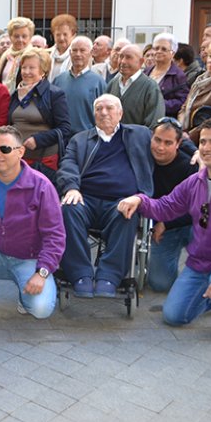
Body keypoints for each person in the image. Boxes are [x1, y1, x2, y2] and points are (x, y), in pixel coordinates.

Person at [118, 119, 211, 346]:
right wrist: (140, 200)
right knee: (174, 316)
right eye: (203, 142)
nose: (206, 148)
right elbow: (165, 206)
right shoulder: (196, 181)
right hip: (202, 261)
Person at [57, 94, 152, 298]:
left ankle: (109, 276)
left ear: (120, 113)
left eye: (109, 108)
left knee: (127, 214)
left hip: (121, 200)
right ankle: (80, 274)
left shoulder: (140, 134)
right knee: (68, 209)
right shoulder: (80, 139)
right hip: (86, 198)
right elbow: (68, 164)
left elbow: (171, 140)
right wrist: (71, 187)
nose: (103, 112)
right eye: (99, 109)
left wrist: (196, 153)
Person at [0, 126, 64, 324]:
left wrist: (42, 272)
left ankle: (24, 293)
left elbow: (55, 235)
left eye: (5, 149)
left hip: (29, 260)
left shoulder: (42, 186)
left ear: (21, 152)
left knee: (40, 309)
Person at [146, 118, 198, 292]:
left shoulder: (190, 166)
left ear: (178, 144)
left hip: (192, 223)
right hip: (165, 229)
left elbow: (196, 207)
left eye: (168, 143)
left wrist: (166, 223)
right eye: (157, 140)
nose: (160, 147)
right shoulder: (144, 161)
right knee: (160, 284)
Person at [8, 47, 72, 172]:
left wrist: (38, 140)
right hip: (17, 159)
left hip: (44, 161)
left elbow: (65, 128)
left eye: (31, 68)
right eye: (24, 67)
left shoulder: (54, 94)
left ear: (43, 71)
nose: (26, 72)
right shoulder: (15, 94)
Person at [52, 36, 107, 136]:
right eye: (74, 50)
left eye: (82, 50)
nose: (78, 54)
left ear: (91, 53)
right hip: (60, 137)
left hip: (87, 138)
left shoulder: (98, 82)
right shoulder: (59, 80)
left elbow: (104, 115)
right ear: (70, 53)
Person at [105, 45, 165, 128]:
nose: (123, 61)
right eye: (121, 57)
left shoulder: (150, 87)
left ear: (141, 61)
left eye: (128, 57)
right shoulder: (113, 84)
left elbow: (154, 122)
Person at [146, 33, 189, 118]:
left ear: (172, 53)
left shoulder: (178, 76)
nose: (159, 51)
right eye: (156, 48)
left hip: (164, 119)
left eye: (164, 49)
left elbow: (182, 102)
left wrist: (158, 104)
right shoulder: (146, 71)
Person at [0, 17, 34, 92]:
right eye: (16, 36)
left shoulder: (34, 56)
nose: (20, 40)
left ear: (30, 37)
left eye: (24, 36)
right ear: (10, 37)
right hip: (3, 97)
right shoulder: (5, 56)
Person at [47, 14, 77, 80]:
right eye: (58, 35)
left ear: (73, 35)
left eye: (65, 34)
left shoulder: (77, 56)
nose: (61, 38)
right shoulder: (47, 54)